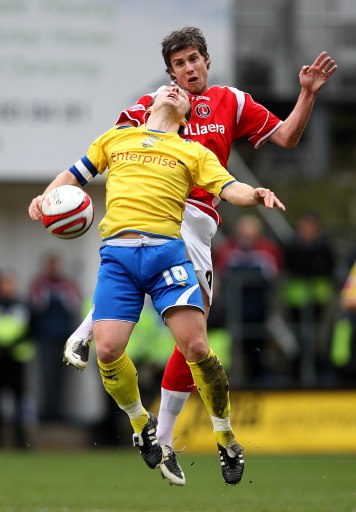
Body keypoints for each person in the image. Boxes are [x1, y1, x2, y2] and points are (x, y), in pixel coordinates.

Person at [62, 27, 337, 482]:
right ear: (169, 73)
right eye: (179, 65)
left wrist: (306, 94)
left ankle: (151, 419)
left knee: (193, 340)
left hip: (203, 223)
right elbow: (116, 147)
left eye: (193, 60)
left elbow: (287, 137)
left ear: (206, 60)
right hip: (170, 213)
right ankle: (106, 350)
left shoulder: (232, 101)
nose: (188, 70)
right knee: (187, 327)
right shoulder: (159, 103)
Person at [28, 85, 286, 485]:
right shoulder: (116, 137)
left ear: (186, 115)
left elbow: (228, 187)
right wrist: (46, 196)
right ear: (150, 103)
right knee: (109, 350)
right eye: (170, 87)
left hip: (168, 256)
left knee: (197, 347)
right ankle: (141, 423)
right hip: (118, 257)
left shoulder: (192, 151)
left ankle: (226, 436)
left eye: (182, 95)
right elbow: (74, 174)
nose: (176, 90)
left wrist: (256, 193)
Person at [213, 214, 283, 384]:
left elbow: (276, 277)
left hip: (260, 310)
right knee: (232, 349)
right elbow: (218, 276)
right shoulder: (226, 250)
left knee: (258, 348)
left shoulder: (268, 250)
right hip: (233, 311)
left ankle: (260, 378)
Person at [29, 253, 82, 421]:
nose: (53, 268)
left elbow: (74, 306)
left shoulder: (67, 284)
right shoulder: (39, 284)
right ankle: (47, 412)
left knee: (62, 378)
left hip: (64, 339)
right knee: (47, 376)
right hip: (45, 338)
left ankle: (60, 412)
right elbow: (35, 307)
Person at [0, 270, 35, 448]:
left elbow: (30, 328)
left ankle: (21, 440)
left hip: (17, 358)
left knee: (19, 399)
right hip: (1, 357)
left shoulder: (21, 305)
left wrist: (13, 344)